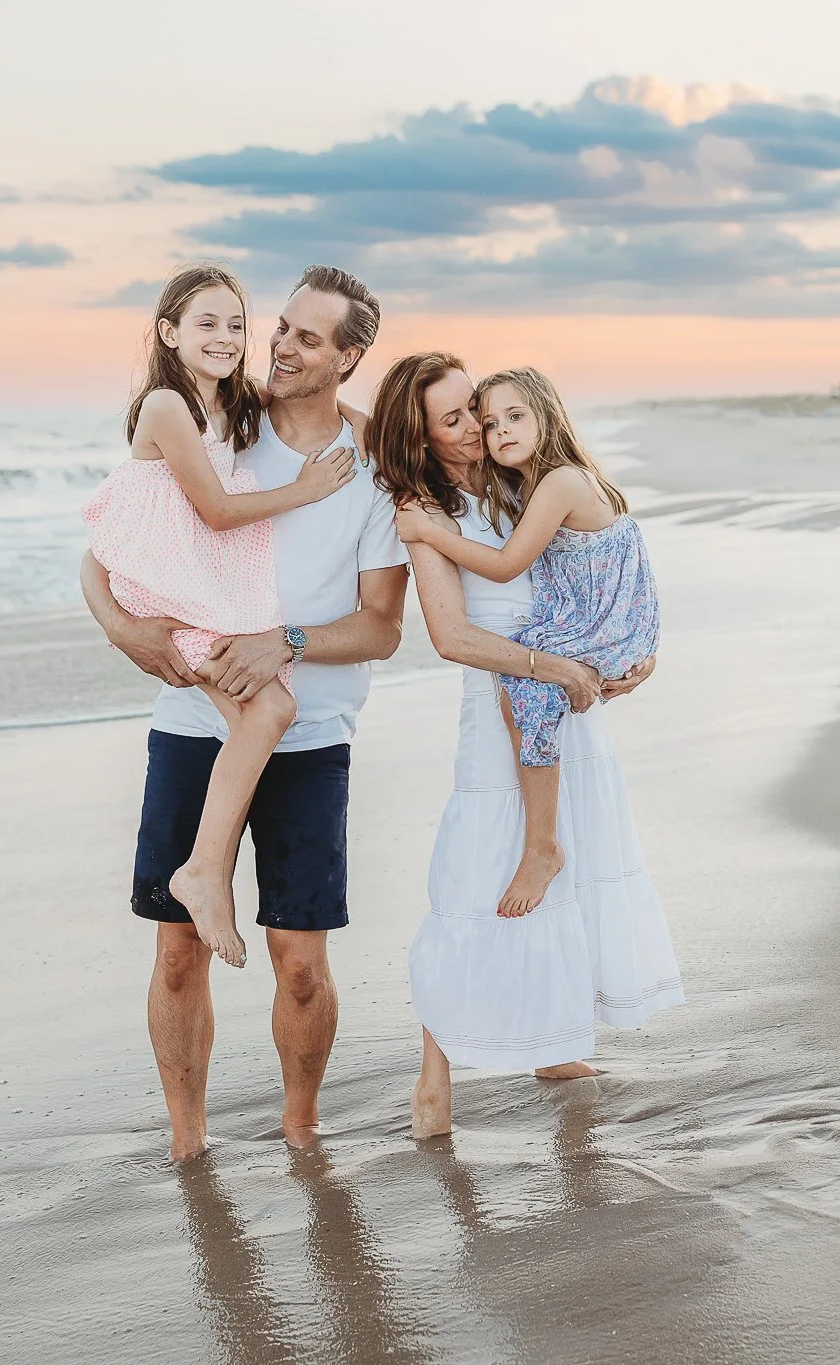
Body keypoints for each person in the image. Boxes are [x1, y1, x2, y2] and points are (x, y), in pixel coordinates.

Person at [79, 266, 407, 1162]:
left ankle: (302, 1130)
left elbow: (383, 627)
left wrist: (287, 639)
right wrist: (123, 628)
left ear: (350, 355)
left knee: (300, 964)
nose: (279, 346)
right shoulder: (224, 421)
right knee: (177, 951)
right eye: (282, 328)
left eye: (307, 336)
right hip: (194, 723)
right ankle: (190, 1141)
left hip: (310, 734)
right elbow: (111, 538)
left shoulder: (372, 471)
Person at [365, 352, 684, 1142]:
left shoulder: (522, 481)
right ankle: (434, 1078)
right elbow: (451, 635)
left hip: (566, 685)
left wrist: (623, 661)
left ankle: (559, 1042)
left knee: (567, 863)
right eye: (454, 418)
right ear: (425, 438)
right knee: (474, 882)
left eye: (476, 407)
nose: (477, 426)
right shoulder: (425, 511)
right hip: (506, 691)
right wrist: (552, 666)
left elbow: (597, 568)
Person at [82, 262, 356, 969]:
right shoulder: (168, 408)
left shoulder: (233, 404)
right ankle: (203, 872)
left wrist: (383, 435)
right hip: (167, 590)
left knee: (257, 717)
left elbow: (327, 407)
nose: (227, 337)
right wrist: (306, 489)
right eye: (206, 323)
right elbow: (216, 510)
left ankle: (208, 870)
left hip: (197, 583)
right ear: (169, 333)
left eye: (237, 324)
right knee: (269, 713)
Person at [395, 366, 660, 919]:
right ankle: (542, 845)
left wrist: (431, 536)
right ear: (422, 435)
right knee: (522, 696)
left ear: (548, 414)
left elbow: (507, 565)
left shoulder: (548, 484)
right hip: (596, 627)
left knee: (524, 695)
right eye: (480, 421)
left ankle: (542, 847)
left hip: (595, 628)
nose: (488, 431)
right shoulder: (524, 483)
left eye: (500, 417)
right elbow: (452, 636)